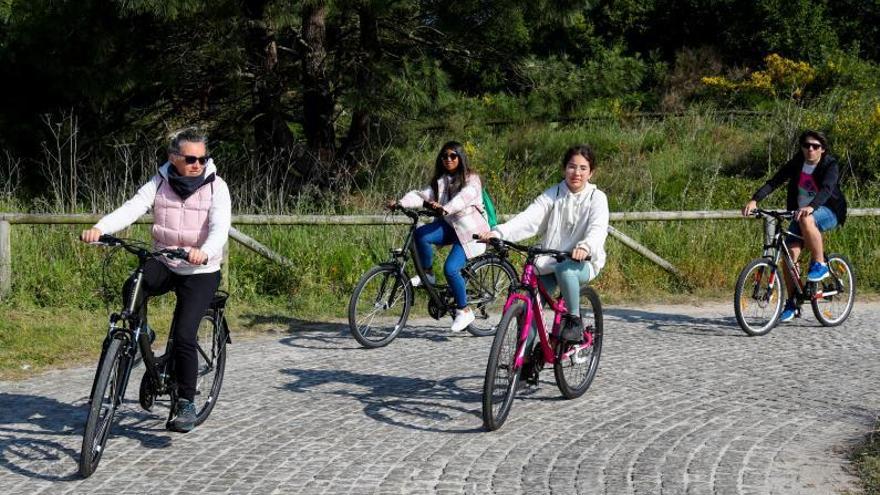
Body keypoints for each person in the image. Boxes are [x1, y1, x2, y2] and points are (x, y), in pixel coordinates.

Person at [81, 128, 231, 432]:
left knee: (186, 336)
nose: (198, 164)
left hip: (199, 269)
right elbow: (132, 208)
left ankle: (185, 401)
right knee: (133, 285)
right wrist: (100, 229)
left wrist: (204, 251)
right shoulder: (159, 182)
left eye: (203, 158)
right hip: (165, 260)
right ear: (173, 157)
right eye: (191, 158)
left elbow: (219, 227)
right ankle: (142, 332)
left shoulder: (217, 188)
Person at [479, 144, 609, 343]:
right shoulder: (554, 194)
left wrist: (585, 247)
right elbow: (529, 218)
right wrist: (498, 232)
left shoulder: (597, 198)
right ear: (564, 168)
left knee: (566, 271)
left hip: (582, 262)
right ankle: (524, 362)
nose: (577, 173)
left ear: (591, 172)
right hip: (550, 261)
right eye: (572, 167)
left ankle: (574, 321)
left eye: (583, 168)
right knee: (530, 308)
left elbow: (597, 227)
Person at [742, 129, 847, 323]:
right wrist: (754, 200)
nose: (810, 150)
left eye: (815, 146)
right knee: (789, 257)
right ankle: (793, 303)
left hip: (829, 210)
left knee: (807, 219)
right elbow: (774, 181)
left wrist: (811, 207)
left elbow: (826, 189)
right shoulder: (797, 163)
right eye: (806, 145)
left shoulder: (830, 164)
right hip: (800, 214)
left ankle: (820, 264)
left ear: (822, 149)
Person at [389, 141, 490, 332]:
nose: (448, 159)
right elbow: (422, 195)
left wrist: (446, 208)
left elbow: (464, 198)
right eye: (444, 156)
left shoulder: (472, 179)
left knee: (451, 269)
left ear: (461, 157)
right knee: (421, 235)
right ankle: (427, 273)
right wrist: (401, 203)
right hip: (450, 226)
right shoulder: (441, 180)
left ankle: (464, 310)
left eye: (453, 155)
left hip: (470, 232)